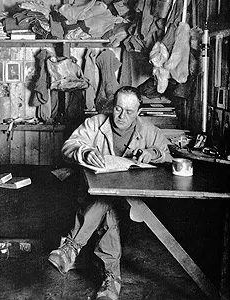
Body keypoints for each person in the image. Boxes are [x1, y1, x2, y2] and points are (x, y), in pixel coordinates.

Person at [48, 86, 172, 300]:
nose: (122, 116)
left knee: (107, 202)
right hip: (95, 195)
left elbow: (167, 153)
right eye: (118, 109)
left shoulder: (148, 130)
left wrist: (152, 153)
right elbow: (69, 146)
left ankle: (71, 247)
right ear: (112, 106)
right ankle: (111, 279)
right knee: (108, 208)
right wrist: (84, 151)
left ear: (139, 112)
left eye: (129, 111)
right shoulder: (95, 123)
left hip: (132, 200)